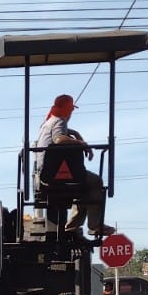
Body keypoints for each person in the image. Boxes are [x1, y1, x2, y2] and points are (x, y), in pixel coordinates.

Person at [33, 94, 113, 238]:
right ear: (68, 110)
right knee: (94, 182)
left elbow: (61, 134)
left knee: (80, 184)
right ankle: (94, 224)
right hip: (53, 173)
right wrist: (81, 143)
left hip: (44, 174)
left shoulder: (48, 123)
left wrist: (75, 133)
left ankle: (72, 226)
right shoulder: (59, 121)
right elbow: (58, 139)